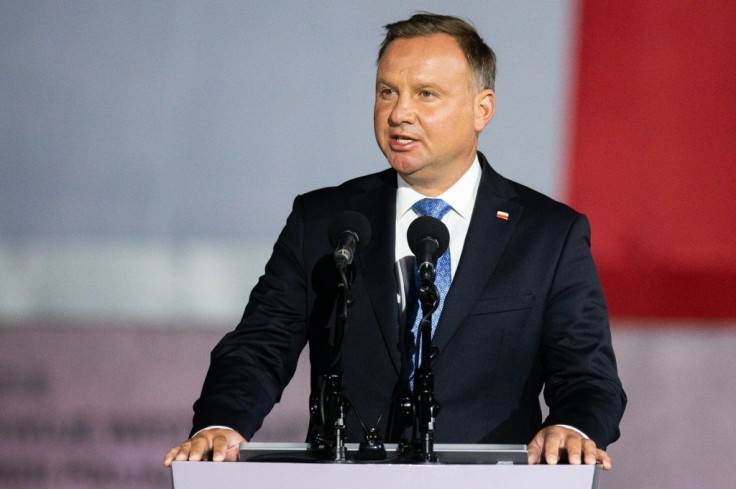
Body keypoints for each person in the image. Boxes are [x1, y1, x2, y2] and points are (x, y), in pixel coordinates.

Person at [164, 13, 625, 469]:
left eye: (426, 94)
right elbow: (259, 346)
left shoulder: (548, 234)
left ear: (482, 108)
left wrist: (573, 427)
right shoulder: (325, 220)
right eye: (387, 92)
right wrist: (220, 423)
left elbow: (588, 376)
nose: (399, 113)